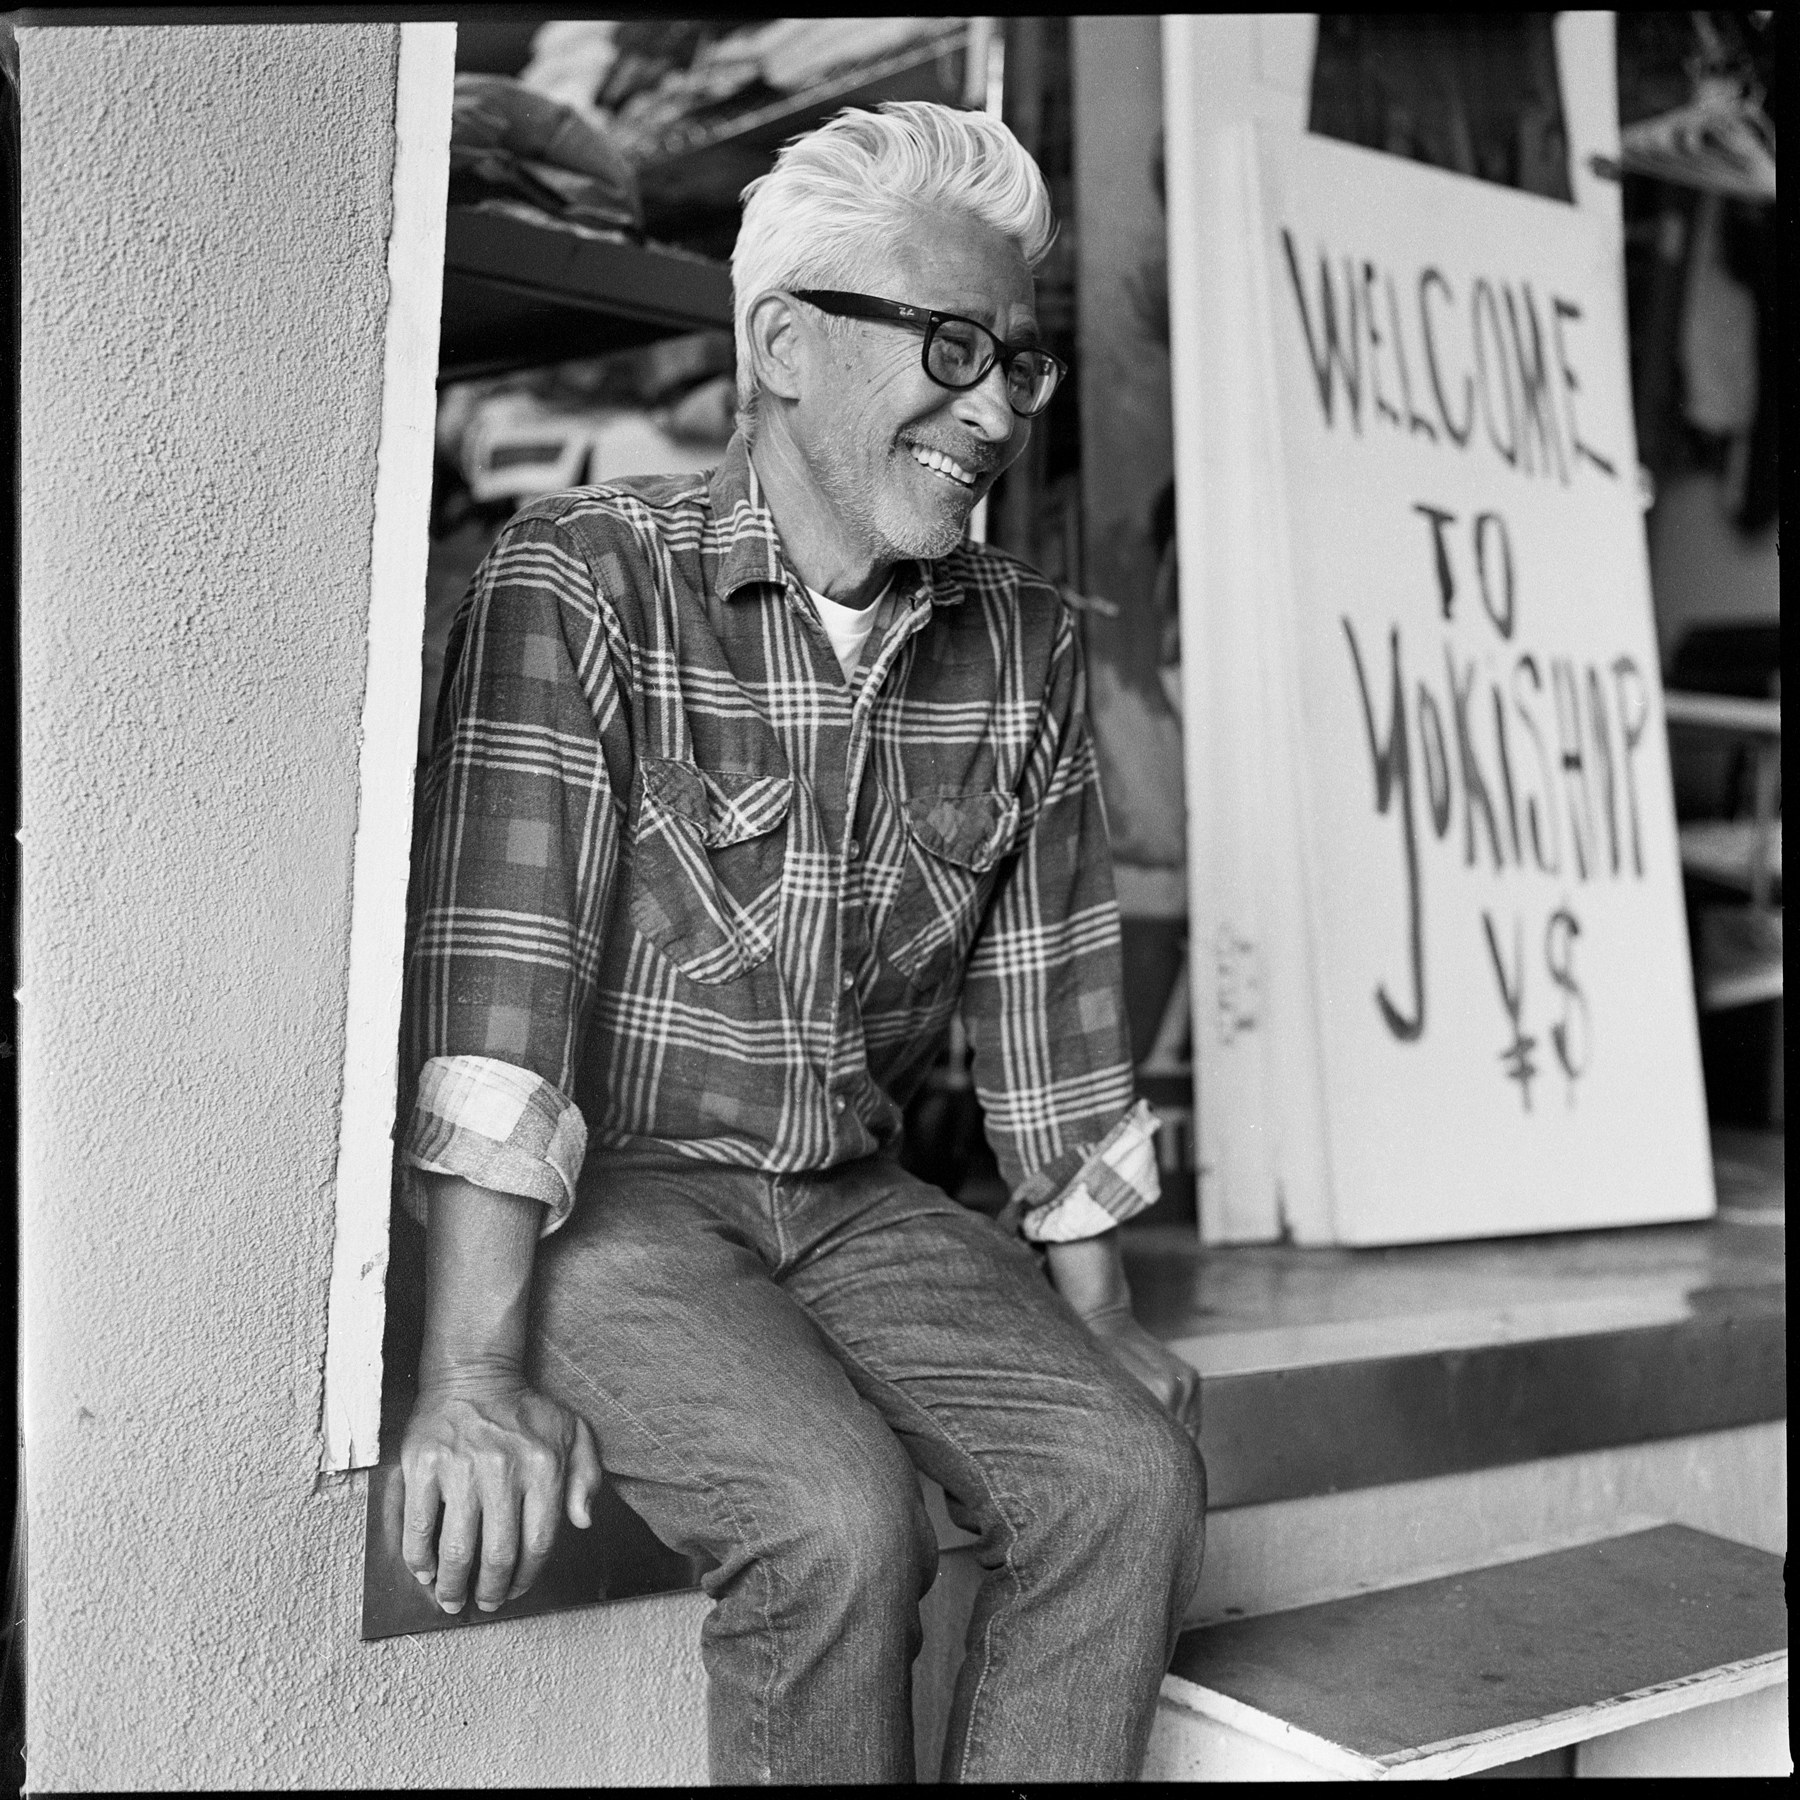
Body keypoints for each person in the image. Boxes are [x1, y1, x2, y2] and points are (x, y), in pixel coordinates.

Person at [396, 99, 1206, 1785]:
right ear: (780, 341)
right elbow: (500, 1001)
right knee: (835, 1523)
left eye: (1020, 364)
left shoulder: (1029, 642)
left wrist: (1101, 1303)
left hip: (849, 1197)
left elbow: (1049, 996)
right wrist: (470, 1370)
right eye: (950, 345)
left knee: (1128, 1476)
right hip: (615, 1198)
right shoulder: (585, 578)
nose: (993, 407)